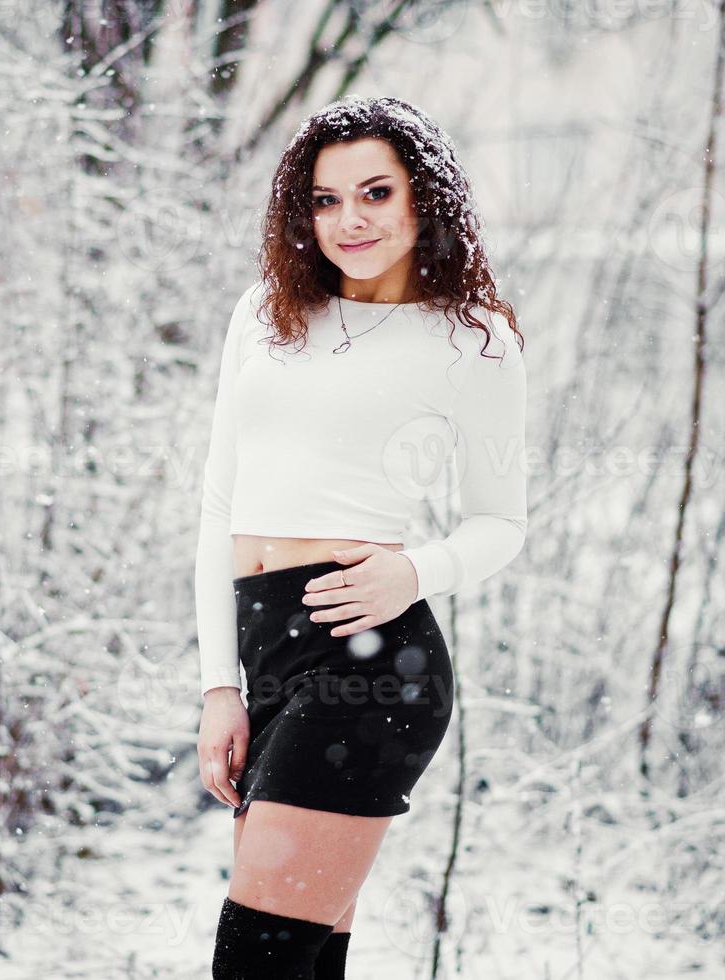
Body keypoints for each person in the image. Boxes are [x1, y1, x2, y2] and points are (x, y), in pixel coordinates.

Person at [195, 95, 529, 979]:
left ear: (424, 200)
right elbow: (217, 506)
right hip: (264, 659)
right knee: (300, 963)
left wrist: (415, 571)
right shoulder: (265, 315)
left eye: (375, 193)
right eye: (324, 198)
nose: (349, 219)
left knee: (256, 962)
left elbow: (502, 523)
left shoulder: (472, 340)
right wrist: (215, 687)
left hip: (369, 664)